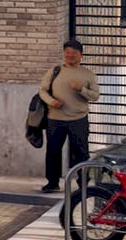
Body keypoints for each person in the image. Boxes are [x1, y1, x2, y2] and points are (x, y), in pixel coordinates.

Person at [38, 39, 101, 194]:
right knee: (53, 151)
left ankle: (83, 183)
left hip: (78, 119)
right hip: (55, 119)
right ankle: (52, 182)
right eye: (67, 53)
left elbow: (95, 96)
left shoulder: (87, 74)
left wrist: (81, 90)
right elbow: (42, 90)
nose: (70, 56)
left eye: (74, 53)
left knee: (81, 152)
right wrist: (51, 102)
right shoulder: (55, 71)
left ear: (81, 55)